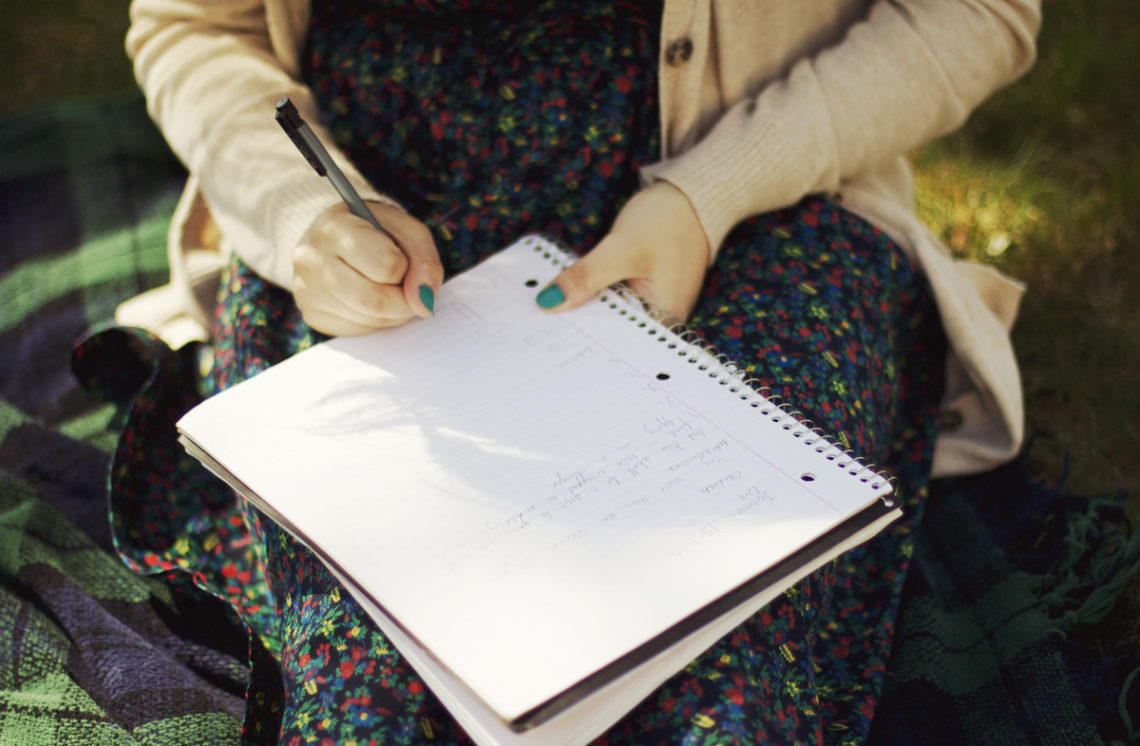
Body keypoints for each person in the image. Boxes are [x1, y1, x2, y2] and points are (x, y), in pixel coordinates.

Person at [112, 0, 1041, 742]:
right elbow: (193, 28)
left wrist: (710, 195)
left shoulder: (741, 186)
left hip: (755, 184)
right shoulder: (334, 226)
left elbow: (978, 11)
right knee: (382, 654)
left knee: (708, 646)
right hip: (376, 220)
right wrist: (300, 214)